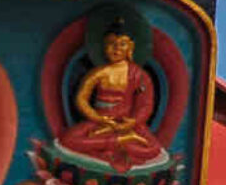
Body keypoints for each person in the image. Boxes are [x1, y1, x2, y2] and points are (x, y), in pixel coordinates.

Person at [52, 22, 166, 173]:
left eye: (122, 44)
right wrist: (97, 118)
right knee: (68, 140)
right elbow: (81, 99)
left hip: (127, 124)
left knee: (153, 150)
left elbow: (146, 105)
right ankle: (120, 142)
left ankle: (110, 142)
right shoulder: (99, 72)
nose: (116, 48)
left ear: (130, 48)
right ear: (104, 46)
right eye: (111, 43)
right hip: (100, 121)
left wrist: (133, 121)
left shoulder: (139, 75)